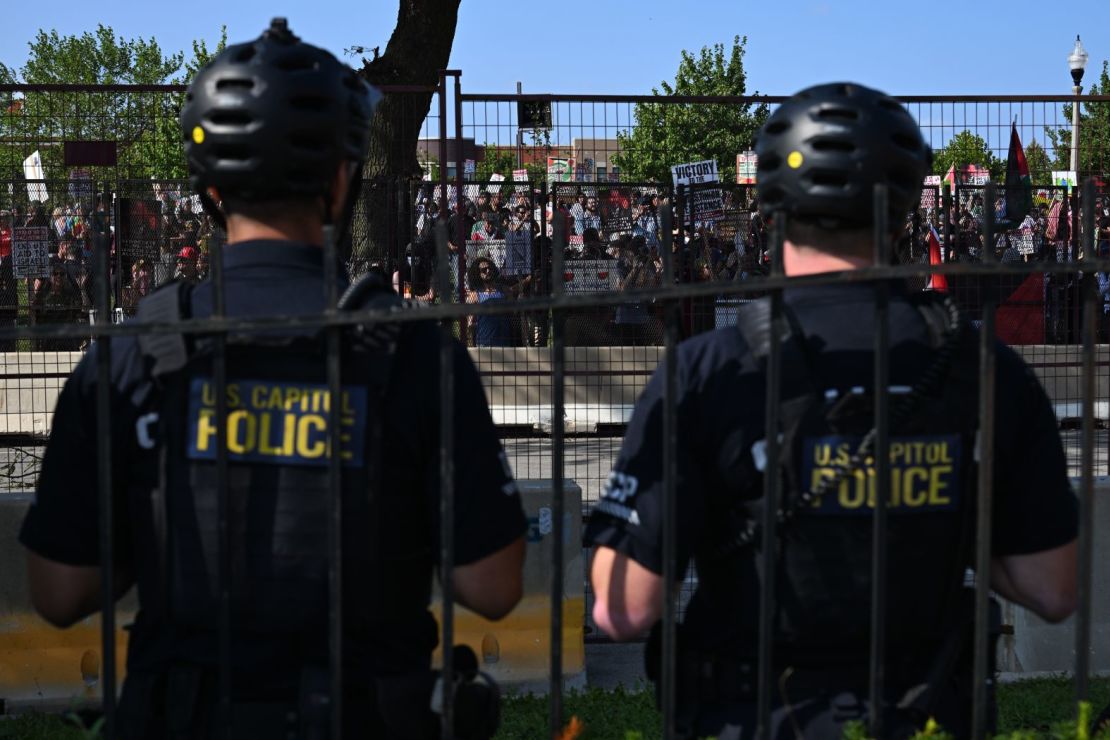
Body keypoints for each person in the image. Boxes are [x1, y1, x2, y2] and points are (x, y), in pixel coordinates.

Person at [20, 19, 526, 740]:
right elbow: (495, 585)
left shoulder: (136, 355)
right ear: (343, 175)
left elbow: (59, 589)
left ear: (206, 185)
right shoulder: (410, 352)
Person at [586, 82, 1078, 739]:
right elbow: (1052, 587)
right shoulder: (988, 370)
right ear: (903, 210)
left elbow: (625, 609)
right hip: (928, 717)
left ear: (769, 207)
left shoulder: (708, 371)